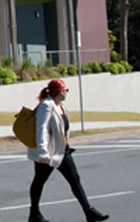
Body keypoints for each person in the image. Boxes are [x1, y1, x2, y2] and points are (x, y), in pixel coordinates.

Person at [26, 79, 109, 222]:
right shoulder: (46, 106)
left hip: (62, 151)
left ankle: (89, 211)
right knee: (39, 182)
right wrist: (42, 152)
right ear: (59, 92)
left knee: (75, 180)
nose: (66, 92)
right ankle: (34, 214)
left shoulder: (61, 107)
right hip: (49, 153)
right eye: (65, 90)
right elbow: (42, 129)